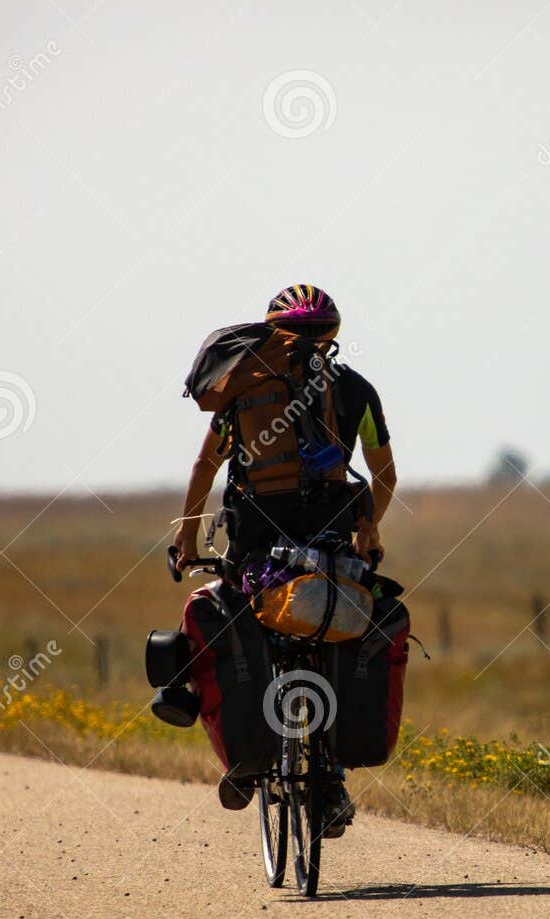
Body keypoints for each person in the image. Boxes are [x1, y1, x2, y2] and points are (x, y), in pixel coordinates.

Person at [164, 284, 397, 821]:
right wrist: (368, 529)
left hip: (254, 543)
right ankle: (331, 779)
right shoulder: (357, 390)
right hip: (332, 536)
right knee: (339, 624)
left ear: (270, 330)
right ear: (332, 334)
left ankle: (245, 753)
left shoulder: (244, 391)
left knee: (231, 619)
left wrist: (187, 537)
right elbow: (383, 474)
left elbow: (207, 466)